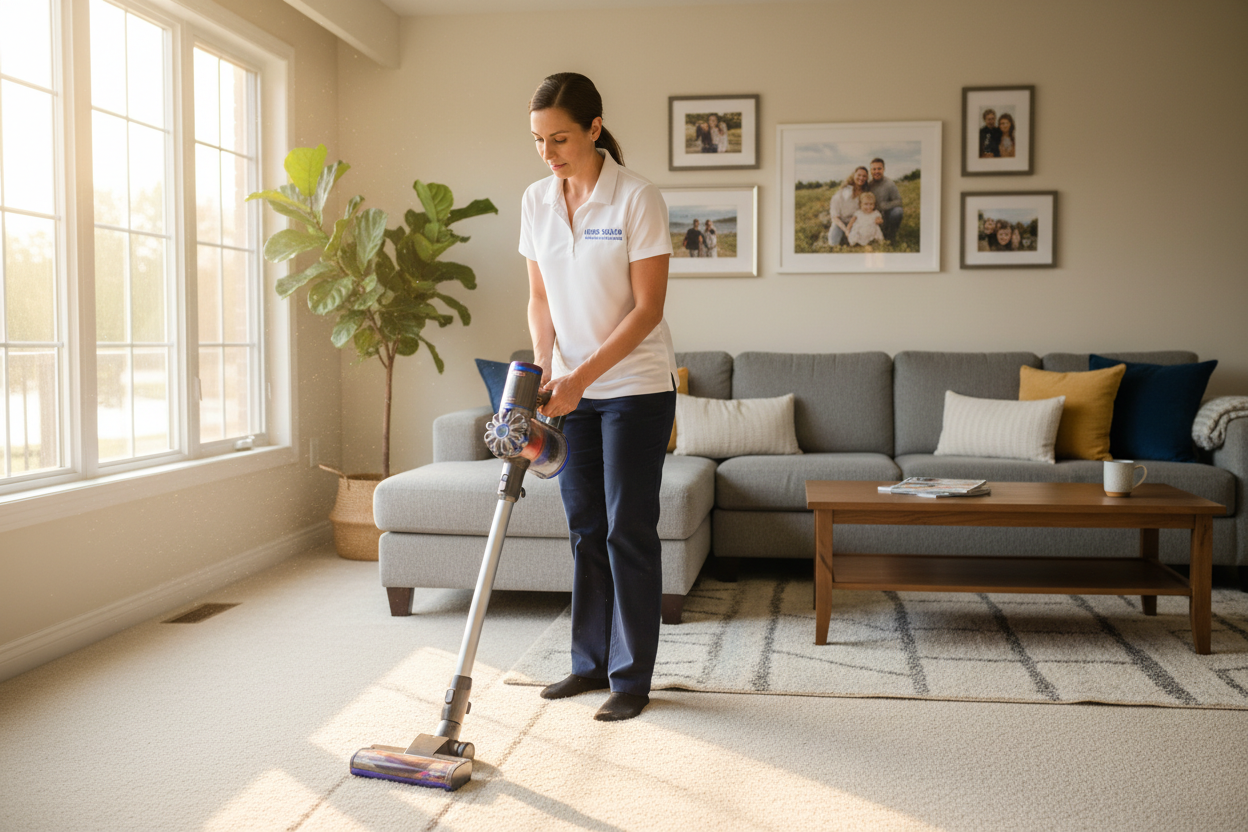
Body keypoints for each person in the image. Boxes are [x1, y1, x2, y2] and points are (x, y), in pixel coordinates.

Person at [521, 72, 678, 723]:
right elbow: (539, 298)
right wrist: (543, 368)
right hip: (568, 392)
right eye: (538, 140)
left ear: (593, 128)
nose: (548, 152)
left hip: (634, 388)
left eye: (559, 138)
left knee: (627, 528)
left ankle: (631, 678)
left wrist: (581, 376)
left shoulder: (637, 197)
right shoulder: (536, 200)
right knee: (584, 526)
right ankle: (588, 663)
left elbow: (647, 310)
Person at [828, 166, 869, 247]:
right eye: (859, 175)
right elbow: (835, 217)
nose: (861, 178)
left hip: (855, 222)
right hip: (840, 222)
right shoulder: (844, 191)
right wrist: (846, 229)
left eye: (864, 176)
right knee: (833, 242)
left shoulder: (865, 193)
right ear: (853, 175)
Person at [866, 158, 904, 242]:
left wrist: (884, 205)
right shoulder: (868, 185)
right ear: (870, 170)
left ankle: (891, 235)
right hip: (871, 214)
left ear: (883, 169)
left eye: (879, 169)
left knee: (898, 211)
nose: (876, 171)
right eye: (874, 169)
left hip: (885, 215)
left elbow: (899, 201)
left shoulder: (889, 184)